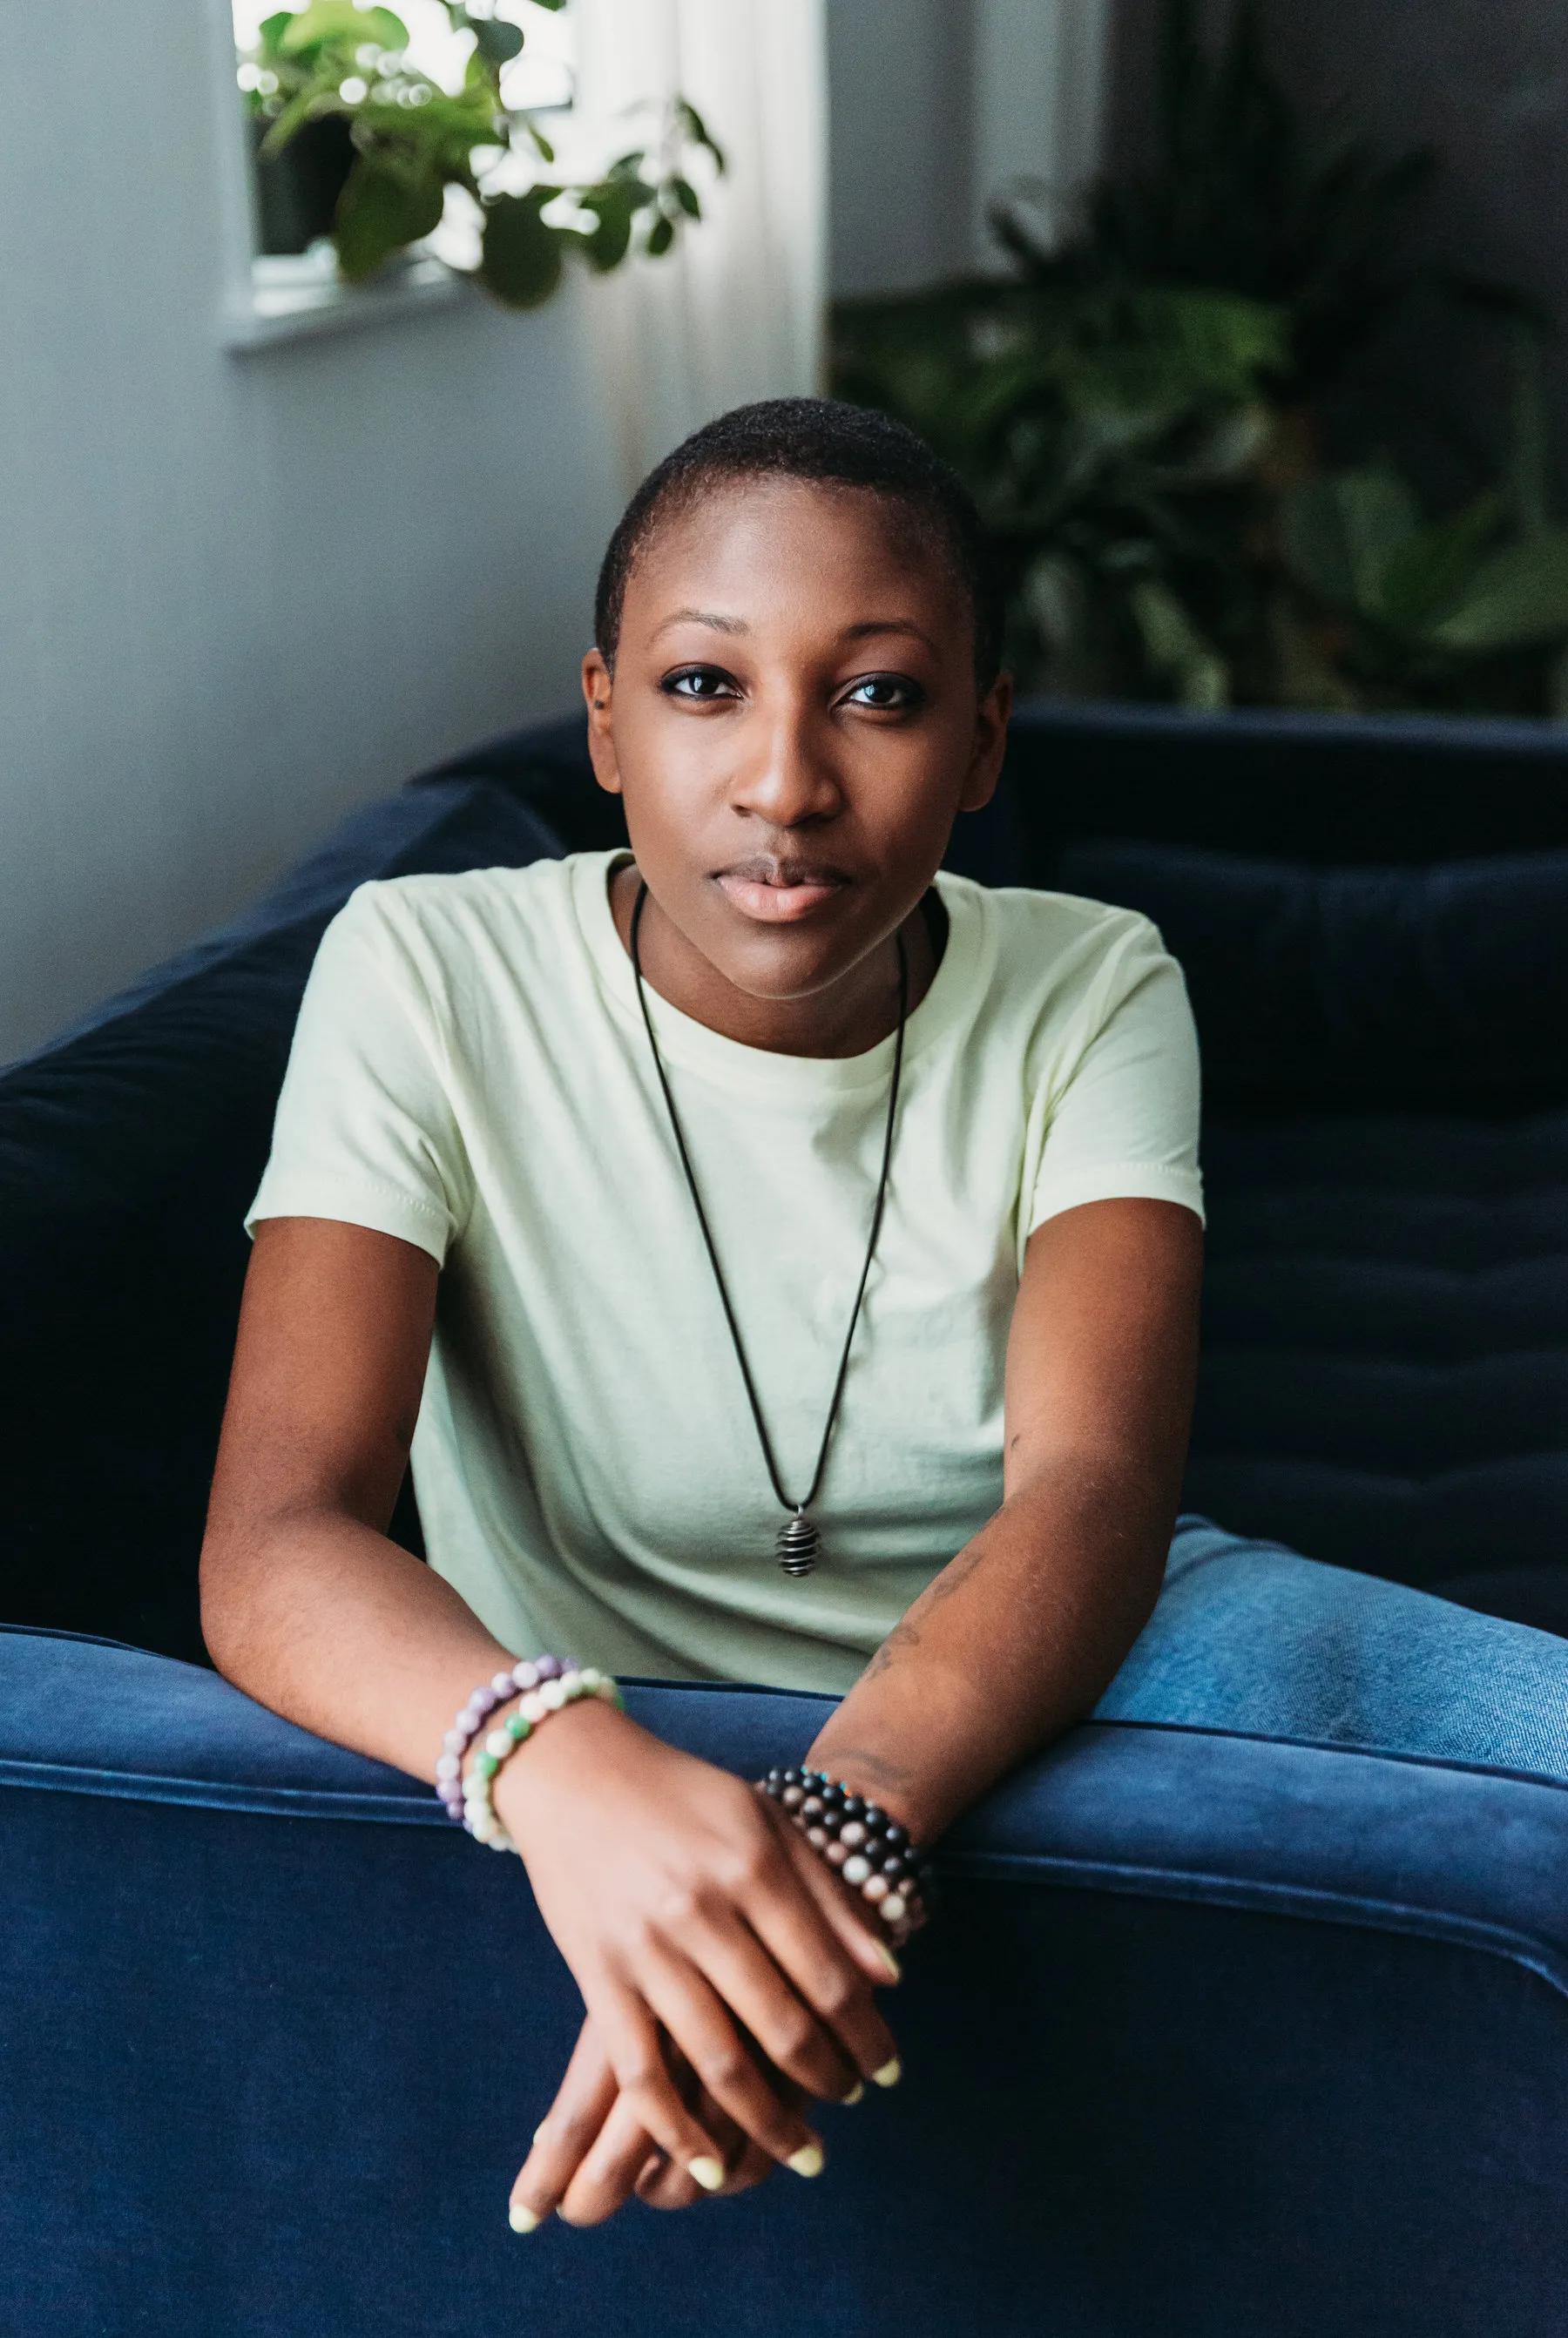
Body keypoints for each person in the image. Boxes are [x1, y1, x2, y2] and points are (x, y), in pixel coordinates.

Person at [195, 395, 1207, 2230]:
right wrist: (560, 1764)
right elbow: (274, 1539)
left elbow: (1094, 1490)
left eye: (878, 694)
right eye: (703, 686)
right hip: (594, 1703)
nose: (785, 783)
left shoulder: (1097, 983)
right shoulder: (424, 974)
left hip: (1071, 1658)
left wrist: (838, 1820)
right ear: (604, 717)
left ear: (983, 738)